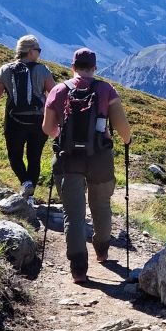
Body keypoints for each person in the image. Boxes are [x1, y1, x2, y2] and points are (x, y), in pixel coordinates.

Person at [43, 48, 131, 283]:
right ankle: (101, 250)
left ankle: (79, 269)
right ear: (94, 68)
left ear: (73, 66)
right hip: (100, 157)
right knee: (101, 205)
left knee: (73, 213)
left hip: (67, 159)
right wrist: (126, 140)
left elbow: (47, 128)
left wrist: (63, 140)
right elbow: (122, 126)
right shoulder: (105, 89)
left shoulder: (59, 90)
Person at [0, 35, 55, 198]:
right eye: (38, 50)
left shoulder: (5, 70)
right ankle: (30, 196)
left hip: (14, 121)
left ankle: (25, 182)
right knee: (34, 157)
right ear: (30, 51)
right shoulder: (43, 70)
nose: (39, 53)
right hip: (39, 121)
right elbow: (53, 94)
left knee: (15, 155)